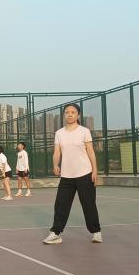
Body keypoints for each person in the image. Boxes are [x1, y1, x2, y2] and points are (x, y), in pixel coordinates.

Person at [43, 103, 101, 244]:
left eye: (73, 112)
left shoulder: (84, 131)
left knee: (88, 204)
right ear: (64, 115)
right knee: (60, 205)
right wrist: (55, 164)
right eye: (67, 112)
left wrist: (95, 170)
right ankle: (55, 233)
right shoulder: (59, 133)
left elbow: (90, 151)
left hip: (85, 174)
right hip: (66, 176)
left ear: (78, 115)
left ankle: (96, 232)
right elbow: (57, 152)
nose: (69, 114)